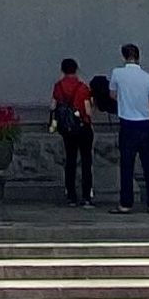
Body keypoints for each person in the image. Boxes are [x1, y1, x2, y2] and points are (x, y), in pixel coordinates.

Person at [105, 42, 149, 213]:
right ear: (138, 57)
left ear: (124, 56)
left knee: (127, 166)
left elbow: (112, 94)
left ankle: (126, 203)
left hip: (128, 123)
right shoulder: (148, 77)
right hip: (145, 124)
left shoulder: (118, 73)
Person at [48, 57, 93, 205]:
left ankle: (71, 195)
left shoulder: (58, 87)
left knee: (70, 160)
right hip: (83, 126)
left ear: (62, 70)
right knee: (86, 161)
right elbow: (87, 111)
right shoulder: (83, 87)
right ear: (76, 69)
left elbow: (53, 106)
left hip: (67, 128)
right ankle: (86, 195)